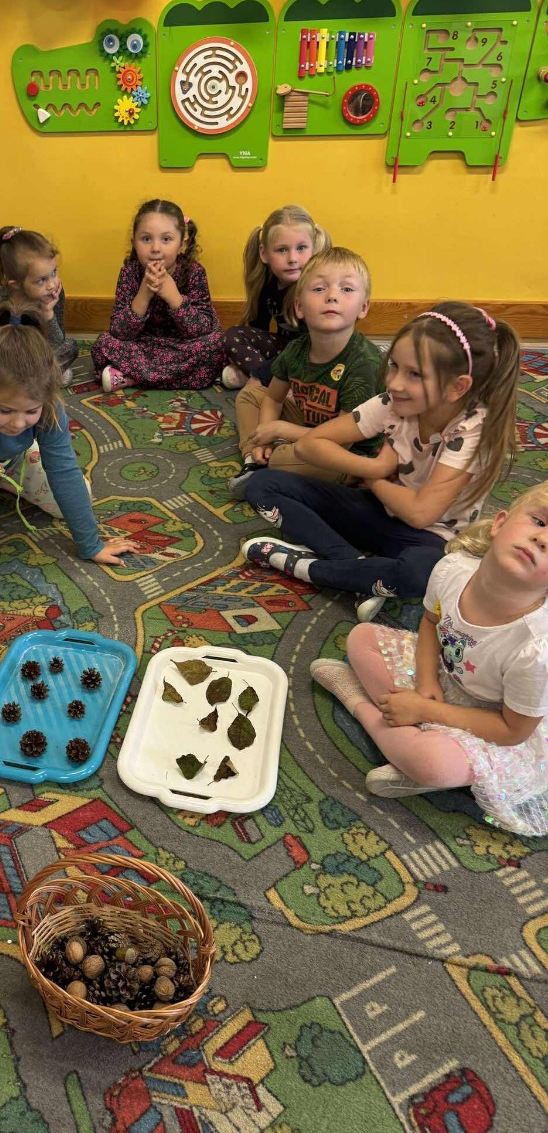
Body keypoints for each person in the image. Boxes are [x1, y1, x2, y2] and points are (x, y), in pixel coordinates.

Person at [241, 303, 521, 622]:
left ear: (457, 387)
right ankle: (355, 569)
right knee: (263, 484)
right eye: (395, 366)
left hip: (429, 537)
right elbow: (309, 445)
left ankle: (310, 568)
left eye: (414, 374)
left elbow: (420, 513)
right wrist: (374, 468)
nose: (395, 383)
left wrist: (375, 480)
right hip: (378, 510)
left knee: (426, 572)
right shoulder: (392, 402)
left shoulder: (473, 432)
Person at [309, 484, 548, 838]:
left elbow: (512, 731)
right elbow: (430, 623)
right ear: (500, 523)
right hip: (446, 678)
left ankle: (359, 703)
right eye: (540, 521)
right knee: (362, 638)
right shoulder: (453, 569)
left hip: (497, 719)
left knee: (433, 763)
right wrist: (425, 681)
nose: (543, 540)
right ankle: (408, 745)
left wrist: (425, 710)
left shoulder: (538, 649)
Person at [0, 301, 137, 605]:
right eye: (5, 410)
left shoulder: (48, 402)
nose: (18, 423)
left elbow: (64, 470)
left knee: (76, 496)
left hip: (6, 458)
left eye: (31, 411)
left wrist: (91, 545)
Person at [229, 246, 383, 499]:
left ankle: (270, 462)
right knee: (250, 396)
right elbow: (273, 398)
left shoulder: (364, 363)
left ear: (363, 307)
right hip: (311, 426)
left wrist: (281, 430)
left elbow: (343, 439)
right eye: (319, 288)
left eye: (346, 289)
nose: (332, 296)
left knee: (284, 458)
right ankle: (253, 459)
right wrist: (266, 435)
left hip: (349, 452)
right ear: (299, 307)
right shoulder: (296, 349)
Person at [91, 199, 224, 392]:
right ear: (134, 243)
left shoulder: (194, 272)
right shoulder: (129, 273)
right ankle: (177, 377)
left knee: (215, 346)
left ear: (182, 244)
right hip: (143, 345)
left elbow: (201, 329)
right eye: (146, 239)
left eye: (166, 239)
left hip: (183, 345)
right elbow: (120, 332)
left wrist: (174, 297)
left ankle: (132, 377)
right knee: (103, 345)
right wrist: (143, 294)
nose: (155, 248)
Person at [221, 204, 330, 390]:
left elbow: (314, 345)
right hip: (284, 351)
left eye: (301, 248)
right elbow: (258, 329)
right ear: (264, 254)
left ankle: (266, 381)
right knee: (232, 336)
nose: (292, 258)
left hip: (312, 353)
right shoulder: (266, 283)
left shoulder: (315, 289)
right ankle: (269, 379)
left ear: (313, 249)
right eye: (282, 250)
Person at [0, 225, 79, 382]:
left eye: (53, 273)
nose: (52, 284)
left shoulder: (55, 294)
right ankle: (34, 381)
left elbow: (57, 343)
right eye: (41, 280)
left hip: (38, 358)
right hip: (6, 359)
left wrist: (48, 313)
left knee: (70, 346)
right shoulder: (0, 297)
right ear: (16, 285)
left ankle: (30, 381)